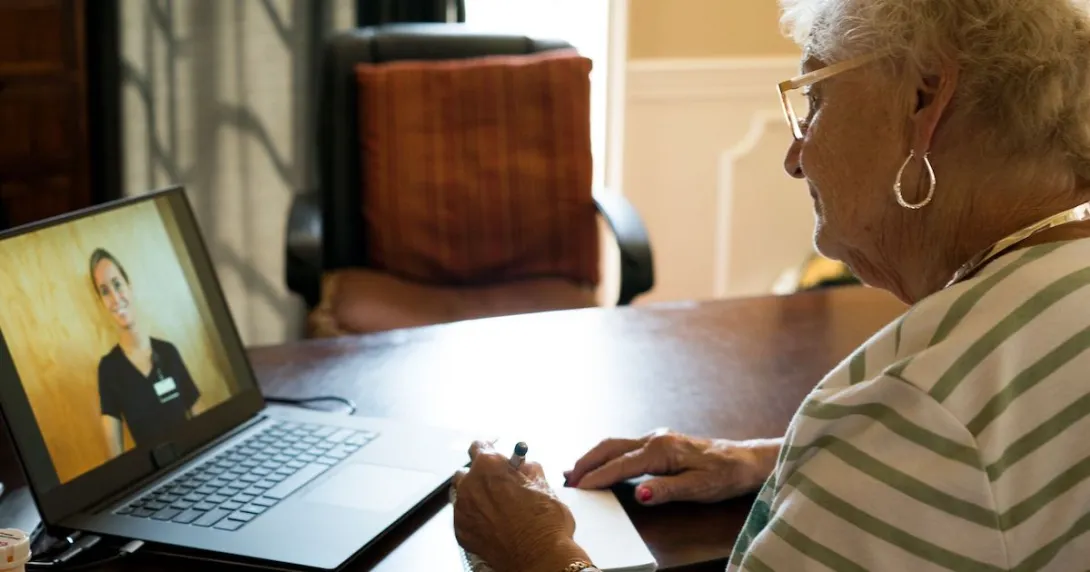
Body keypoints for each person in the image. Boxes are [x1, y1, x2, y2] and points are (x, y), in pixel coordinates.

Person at [451, 0, 1090, 570]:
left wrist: (537, 551)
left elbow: (956, 445)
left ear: (925, 96)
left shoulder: (921, 410)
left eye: (814, 99)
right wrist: (785, 462)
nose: (794, 156)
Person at [91, 248, 201, 457]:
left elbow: (198, 413)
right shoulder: (108, 369)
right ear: (101, 302)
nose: (115, 298)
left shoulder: (168, 352)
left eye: (117, 284)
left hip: (193, 460)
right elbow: (116, 458)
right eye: (105, 291)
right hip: (155, 477)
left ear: (129, 285)